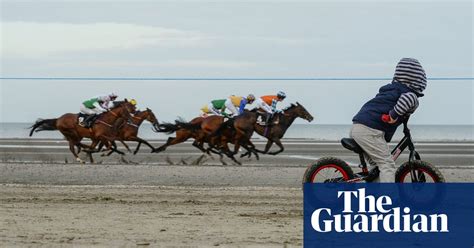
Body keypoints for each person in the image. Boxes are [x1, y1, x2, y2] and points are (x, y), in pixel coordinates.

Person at [351, 58, 427, 182]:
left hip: (360, 126)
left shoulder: (392, 90)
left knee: (377, 166)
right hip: (369, 131)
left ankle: (376, 194)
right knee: (387, 164)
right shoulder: (409, 93)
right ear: (417, 80)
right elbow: (407, 100)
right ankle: (387, 197)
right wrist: (393, 115)